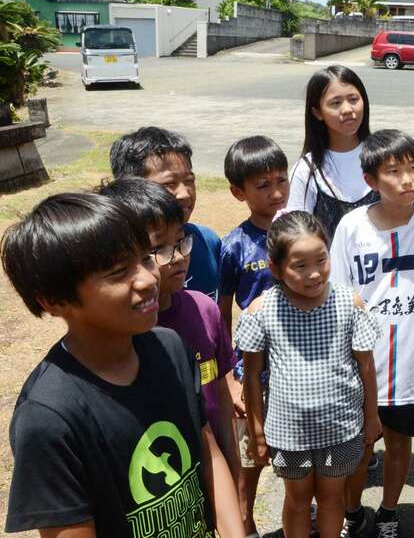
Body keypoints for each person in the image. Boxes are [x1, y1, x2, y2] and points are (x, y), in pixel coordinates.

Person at [2, 192, 243, 537]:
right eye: (118, 272)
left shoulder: (172, 349)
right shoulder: (48, 417)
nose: (147, 280)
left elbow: (208, 452)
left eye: (144, 258)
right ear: (53, 300)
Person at [237, 211, 382, 538]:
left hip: (341, 427)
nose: (314, 274)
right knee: (298, 500)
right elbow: (252, 375)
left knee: (333, 498)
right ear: (275, 268)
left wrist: (371, 415)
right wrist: (258, 432)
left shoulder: (349, 302)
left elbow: (366, 366)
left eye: (321, 259)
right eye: (300, 266)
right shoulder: (263, 310)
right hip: (288, 433)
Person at [97, 177, 240, 486]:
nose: (178, 257)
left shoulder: (204, 309)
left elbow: (221, 402)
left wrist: (236, 479)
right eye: (157, 249)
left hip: (216, 476)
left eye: (181, 240)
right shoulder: (120, 338)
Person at [330, 130, 414, 538]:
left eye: (413, 168)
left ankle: (390, 512)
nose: (407, 179)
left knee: (400, 444)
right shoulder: (352, 226)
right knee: (360, 448)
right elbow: (340, 292)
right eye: (394, 172)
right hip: (364, 365)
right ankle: (353, 511)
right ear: (371, 181)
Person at [219, 135, 290, 537]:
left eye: (281, 180)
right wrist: (230, 377)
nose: (276, 192)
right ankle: (244, 527)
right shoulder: (233, 246)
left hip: (296, 368)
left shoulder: (301, 232)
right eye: (263, 185)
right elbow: (222, 312)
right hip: (252, 375)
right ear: (237, 191)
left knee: (298, 459)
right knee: (250, 464)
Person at [110, 126, 222, 299]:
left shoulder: (208, 242)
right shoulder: (116, 262)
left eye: (189, 180)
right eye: (169, 184)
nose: (185, 194)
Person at [286, 65, 380, 238]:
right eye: (335, 103)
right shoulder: (306, 171)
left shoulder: (383, 157)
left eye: (353, 99)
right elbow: (295, 237)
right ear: (317, 112)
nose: (347, 109)